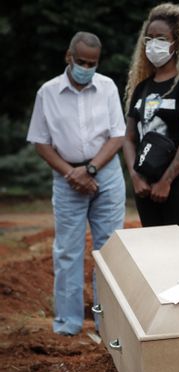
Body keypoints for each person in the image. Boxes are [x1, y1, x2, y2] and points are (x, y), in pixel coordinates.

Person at [26, 32, 126, 336]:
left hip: (105, 173)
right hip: (66, 175)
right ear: (69, 57)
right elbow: (40, 142)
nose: (86, 67)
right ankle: (67, 325)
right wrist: (73, 173)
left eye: (92, 63)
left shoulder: (107, 87)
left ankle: (108, 326)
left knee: (109, 250)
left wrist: (91, 169)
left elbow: (118, 136)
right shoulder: (48, 92)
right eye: (81, 61)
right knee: (67, 251)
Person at [122, 3, 179, 237]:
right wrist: (135, 176)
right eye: (149, 38)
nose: (154, 44)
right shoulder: (141, 88)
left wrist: (166, 181)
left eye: (161, 38)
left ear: (176, 43)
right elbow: (129, 137)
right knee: (156, 253)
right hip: (145, 187)